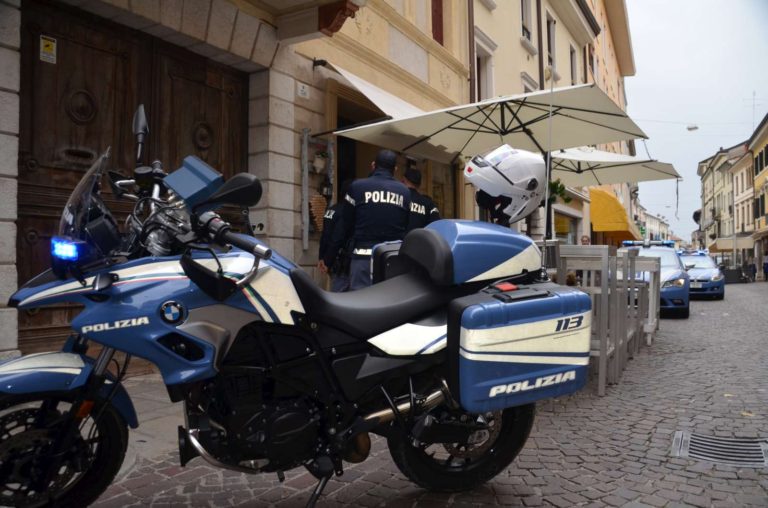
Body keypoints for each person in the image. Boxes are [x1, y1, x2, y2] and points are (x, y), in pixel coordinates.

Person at [323, 150, 411, 290]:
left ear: (373, 165)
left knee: (361, 305)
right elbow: (406, 227)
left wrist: (329, 258)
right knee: (389, 305)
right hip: (391, 259)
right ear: (395, 169)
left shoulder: (357, 187)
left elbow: (344, 226)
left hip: (362, 257)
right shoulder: (405, 192)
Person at [318, 180, 352, 292]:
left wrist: (322, 258)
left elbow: (325, 236)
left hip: (334, 263)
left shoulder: (331, 210)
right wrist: (327, 260)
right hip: (344, 263)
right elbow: (336, 239)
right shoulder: (348, 212)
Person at [401, 167, 440, 231]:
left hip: (400, 240)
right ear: (419, 185)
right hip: (420, 240)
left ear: (404, 180)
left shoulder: (398, 198)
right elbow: (436, 225)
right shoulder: (428, 203)